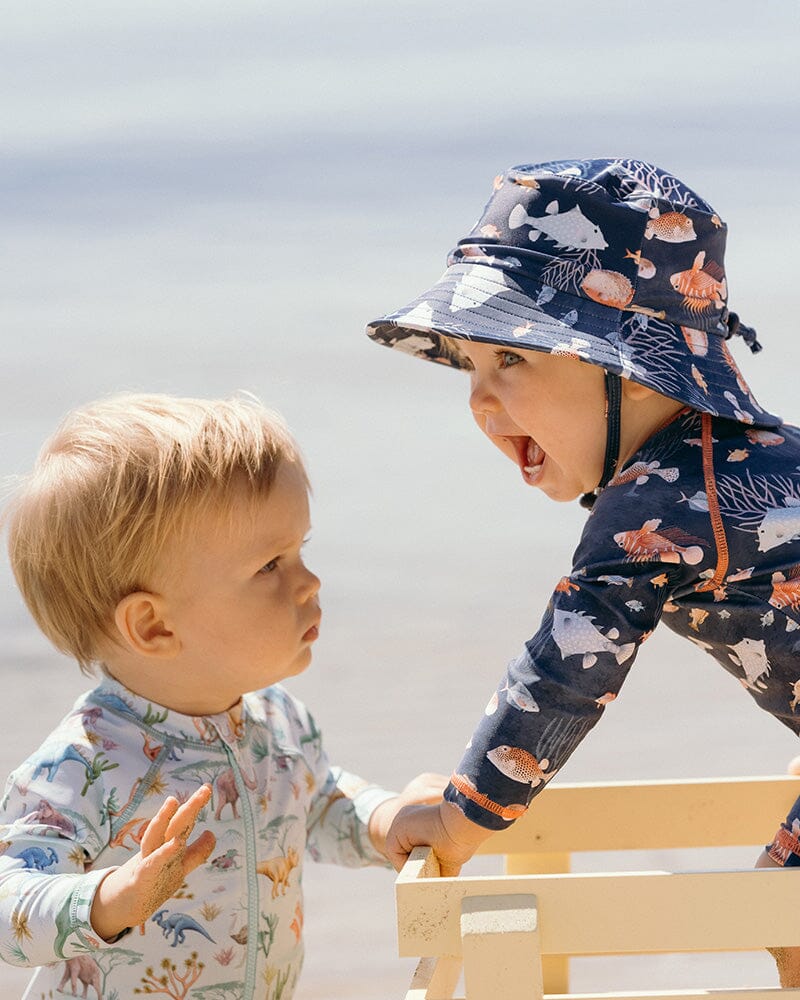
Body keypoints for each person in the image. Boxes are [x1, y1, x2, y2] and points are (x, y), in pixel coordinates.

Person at [366, 158, 800, 984]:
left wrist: (463, 819)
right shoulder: (751, 457)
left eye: (513, 362)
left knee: (789, 918)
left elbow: (565, 670)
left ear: (629, 368)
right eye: (473, 367)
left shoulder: (654, 503)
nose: (478, 402)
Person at [0, 392, 444, 999]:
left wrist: (385, 819)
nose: (309, 582)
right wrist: (106, 900)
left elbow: (313, 805)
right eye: (269, 566)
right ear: (155, 627)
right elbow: (10, 904)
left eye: (299, 552)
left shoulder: (277, 719)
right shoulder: (87, 762)